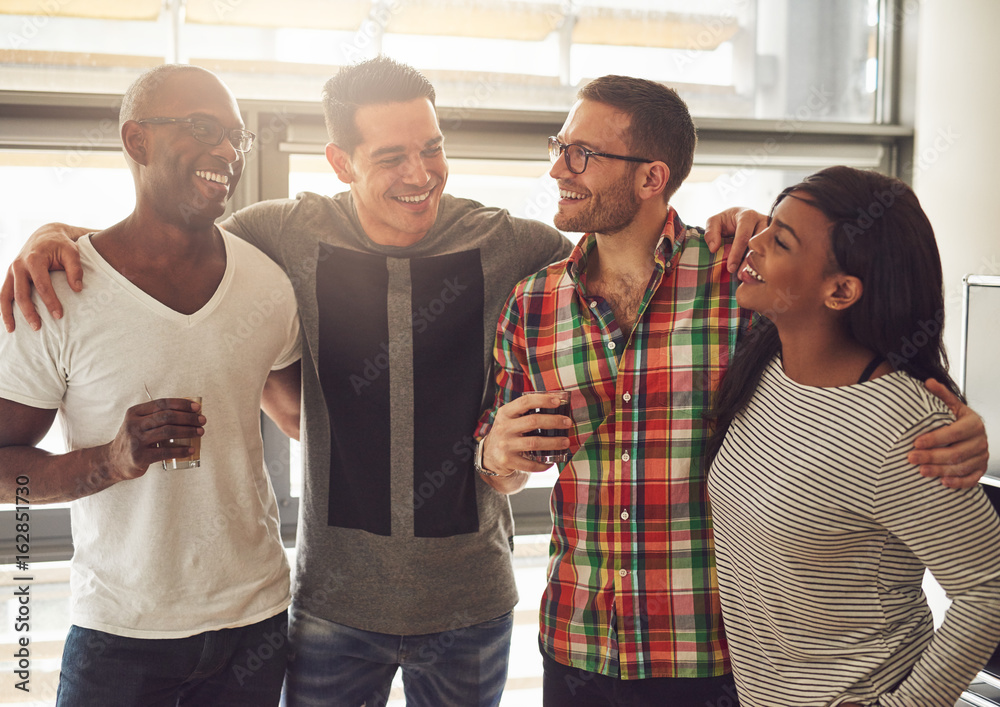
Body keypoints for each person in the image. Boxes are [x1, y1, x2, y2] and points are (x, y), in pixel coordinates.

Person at [0, 60, 985, 706]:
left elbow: (825, 327)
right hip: (339, 608)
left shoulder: (537, 256)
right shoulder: (280, 239)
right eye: (392, 156)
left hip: (550, 621)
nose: (423, 171)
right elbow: (166, 242)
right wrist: (55, 239)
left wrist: (933, 394)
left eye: (432, 145)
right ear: (340, 160)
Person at [474, 76, 990, 706]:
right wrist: (494, 456)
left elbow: (857, 357)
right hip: (579, 646)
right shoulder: (530, 304)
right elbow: (501, 469)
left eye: (583, 153)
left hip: (720, 661)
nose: (559, 167)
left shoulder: (739, 285)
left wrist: (958, 423)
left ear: (650, 177)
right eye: (559, 145)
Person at [0, 64, 302, 706]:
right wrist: (108, 462)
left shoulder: (267, 286)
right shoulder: (56, 295)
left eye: (236, 137)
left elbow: (305, 417)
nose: (226, 150)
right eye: (203, 128)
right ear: (137, 141)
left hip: (256, 626)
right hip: (120, 636)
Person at [705, 166, 1000, 706]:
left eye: (780, 240)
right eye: (768, 224)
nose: (756, 243)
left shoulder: (903, 426)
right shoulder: (766, 363)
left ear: (840, 291)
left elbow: (987, 590)